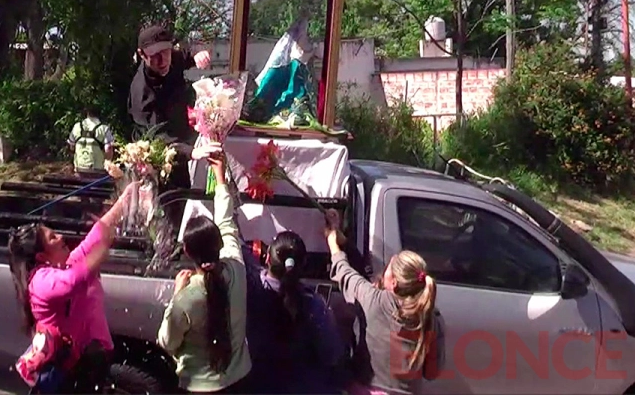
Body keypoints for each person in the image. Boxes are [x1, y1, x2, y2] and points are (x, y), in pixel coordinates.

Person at [7, 183, 134, 393]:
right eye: (53, 238)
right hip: (65, 373)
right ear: (41, 256)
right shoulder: (41, 281)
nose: (61, 237)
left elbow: (93, 238)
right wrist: (101, 250)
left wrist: (125, 199)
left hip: (85, 361)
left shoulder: (65, 265)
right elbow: (74, 280)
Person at [157, 146, 251, 393]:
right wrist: (220, 179)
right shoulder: (236, 269)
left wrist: (177, 295)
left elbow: (167, 342)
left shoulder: (186, 298)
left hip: (199, 387)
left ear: (187, 252)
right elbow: (227, 224)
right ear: (219, 244)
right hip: (239, 380)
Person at [325, 210, 445, 395]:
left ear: (394, 283)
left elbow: (345, 273)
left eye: (388, 267)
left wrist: (333, 242)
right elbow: (431, 373)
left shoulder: (373, 301)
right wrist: (346, 243)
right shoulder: (431, 318)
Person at [244, 231, 347, 393]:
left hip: (257, 386)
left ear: (267, 258)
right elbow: (332, 354)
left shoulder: (249, 291)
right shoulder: (315, 305)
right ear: (303, 264)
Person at [128, 24, 211, 189]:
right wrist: (190, 152)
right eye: (154, 55)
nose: (162, 60)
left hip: (182, 139)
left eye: (166, 51)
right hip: (155, 161)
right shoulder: (141, 93)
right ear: (142, 54)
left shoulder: (172, 58)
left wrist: (198, 54)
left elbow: (187, 54)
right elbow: (157, 137)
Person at [66, 108, 114, 173]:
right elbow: (108, 148)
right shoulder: (104, 129)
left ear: (87, 113)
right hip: (97, 170)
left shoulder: (77, 126)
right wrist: (108, 162)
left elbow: (71, 147)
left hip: (79, 169)